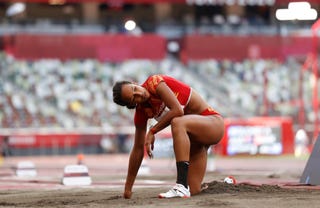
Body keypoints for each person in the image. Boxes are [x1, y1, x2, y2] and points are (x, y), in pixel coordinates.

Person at [112, 74, 224, 199]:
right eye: (134, 99)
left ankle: (181, 185)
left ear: (134, 83)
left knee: (177, 122)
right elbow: (138, 149)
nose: (139, 94)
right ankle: (226, 183)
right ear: (132, 105)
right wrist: (128, 188)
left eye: (134, 89)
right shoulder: (141, 113)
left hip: (213, 123)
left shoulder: (153, 82)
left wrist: (152, 131)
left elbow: (177, 110)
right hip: (197, 144)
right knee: (194, 190)